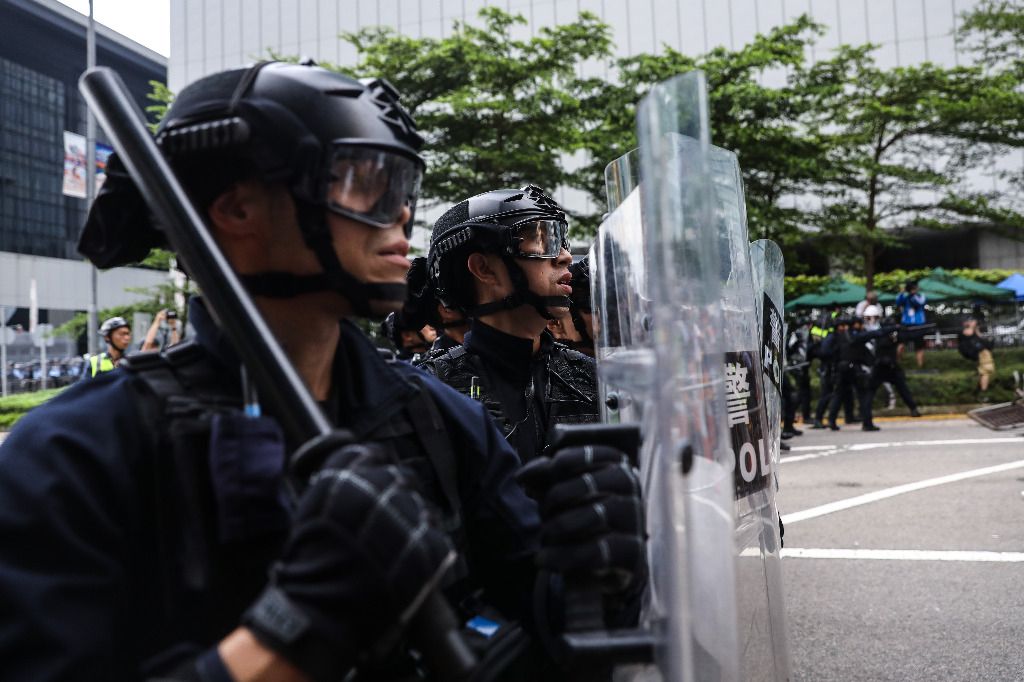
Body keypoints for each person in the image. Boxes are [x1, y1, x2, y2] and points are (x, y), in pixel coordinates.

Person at [0, 62, 642, 681]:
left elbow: (542, 633)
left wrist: (590, 576)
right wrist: (293, 631)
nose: (400, 216)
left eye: (405, 190)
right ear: (236, 209)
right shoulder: (74, 455)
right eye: (366, 181)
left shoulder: (438, 418)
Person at [419, 186, 602, 465]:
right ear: (485, 269)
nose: (565, 256)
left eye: (562, 240)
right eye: (543, 240)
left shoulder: (595, 378)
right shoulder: (429, 390)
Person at [863, 305, 921, 418]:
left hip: (889, 366)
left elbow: (907, 337)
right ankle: (865, 412)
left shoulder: (889, 334)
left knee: (902, 388)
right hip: (881, 366)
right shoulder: (877, 333)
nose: (871, 320)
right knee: (870, 391)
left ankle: (913, 408)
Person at [826, 316, 876, 431]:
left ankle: (831, 420)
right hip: (854, 369)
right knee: (863, 395)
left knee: (838, 395)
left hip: (841, 369)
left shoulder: (839, 336)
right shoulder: (855, 336)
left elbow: (832, 353)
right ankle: (867, 423)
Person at [958, 317, 996, 402]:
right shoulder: (963, 331)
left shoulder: (974, 330)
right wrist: (972, 326)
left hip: (982, 353)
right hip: (974, 353)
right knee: (986, 371)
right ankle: (983, 393)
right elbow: (969, 334)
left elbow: (981, 339)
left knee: (986, 372)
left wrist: (976, 329)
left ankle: (979, 392)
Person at [896, 279, 927, 368]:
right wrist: (902, 292)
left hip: (918, 325)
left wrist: (913, 294)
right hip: (906, 324)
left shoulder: (921, 296)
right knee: (901, 344)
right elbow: (898, 303)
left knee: (919, 347)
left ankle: (920, 366)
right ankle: (897, 364)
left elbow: (920, 302)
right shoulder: (905, 297)